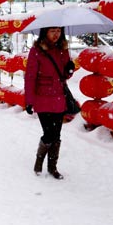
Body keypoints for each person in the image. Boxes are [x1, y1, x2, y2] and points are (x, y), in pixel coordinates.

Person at [24, 27, 75, 180]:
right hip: (43, 98)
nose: (56, 34)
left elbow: (64, 75)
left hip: (59, 97)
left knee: (57, 135)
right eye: (52, 31)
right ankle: (38, 162)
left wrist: (70, 69)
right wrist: (29, 101)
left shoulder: (63, 49)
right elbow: (30, 77)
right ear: (45, 32)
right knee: (49, 134)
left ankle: (52, 168)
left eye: (58, 31)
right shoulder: (37, 51)